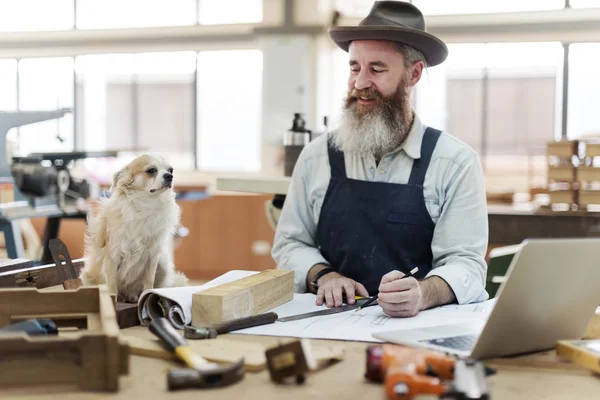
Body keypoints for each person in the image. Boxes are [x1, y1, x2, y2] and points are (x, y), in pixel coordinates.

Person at [271, 1, 489, 318]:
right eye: (354, 67)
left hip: (418, 329)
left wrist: (424, 292)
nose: (360, 83)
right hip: (328, 325)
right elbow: (289, 244)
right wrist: (323, 276)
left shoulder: (455, 163)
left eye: (376, 69)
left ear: (413, 75)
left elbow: (467, 263)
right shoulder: (317, 156)